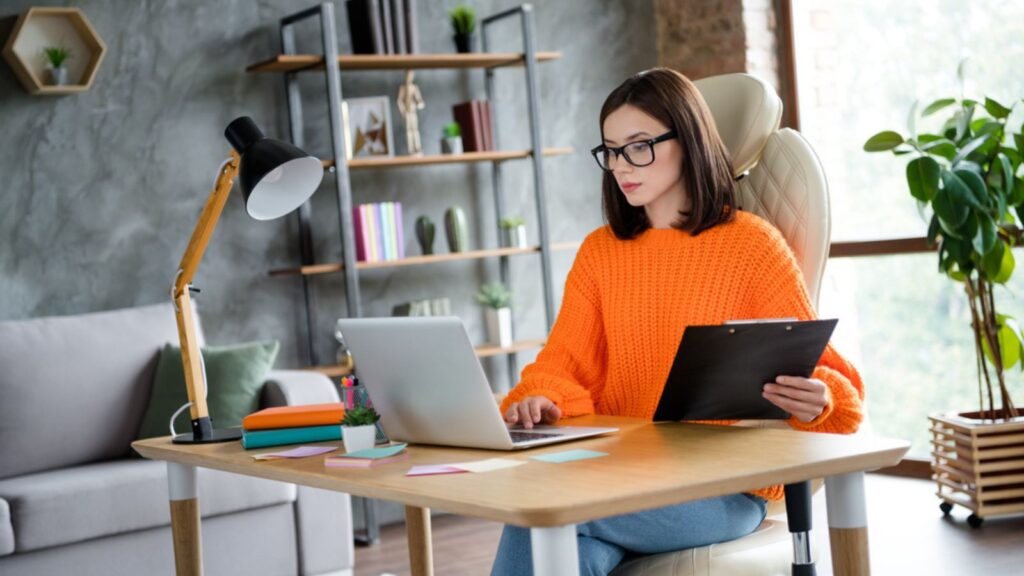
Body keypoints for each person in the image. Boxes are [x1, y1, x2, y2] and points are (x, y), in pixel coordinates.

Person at [490, 67, 864, 576]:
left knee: (543, 519)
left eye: (639, 146)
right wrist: (541, 399)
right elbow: (561, 365)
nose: (622, 165)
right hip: (620, 473)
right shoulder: (599, 253)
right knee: (566, 553)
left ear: (686, 141)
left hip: (721, 489)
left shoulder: (752, 245)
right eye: (611, 150)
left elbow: (834, 384)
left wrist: (817, 398)